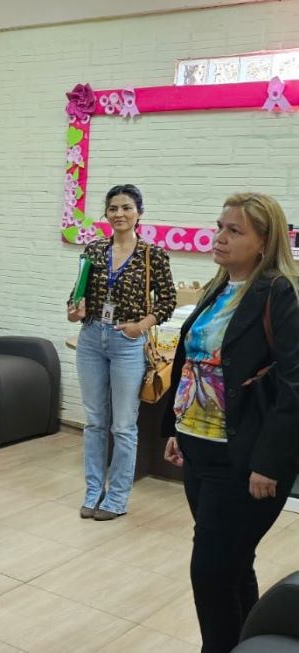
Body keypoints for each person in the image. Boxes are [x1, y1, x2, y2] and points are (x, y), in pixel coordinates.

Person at [162, 192, 299, 653]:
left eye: (234, 230)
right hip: (200, 449)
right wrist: (173, 429)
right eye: (219, 226)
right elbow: (189, 361)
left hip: (245, 459)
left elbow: (294, 387)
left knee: (211, 574)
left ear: (264, 242)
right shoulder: (219, 287)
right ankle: (249, 645)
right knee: (232, 565)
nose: (219, 237)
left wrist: (271, 463)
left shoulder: (279, 292)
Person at [67, 184, 176, 520]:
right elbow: (76, 295)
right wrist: (74, 310)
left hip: (128, 342)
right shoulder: (94, 250)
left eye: (126, 208)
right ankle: (92, 491)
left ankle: (116, 497)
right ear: (106, 214)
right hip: (91, 337)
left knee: (124, 425)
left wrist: (140, 326)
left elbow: (168, 301)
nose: (119, 214)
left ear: (138, 213)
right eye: (113, 208)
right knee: (96, 422)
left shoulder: (152, 255)